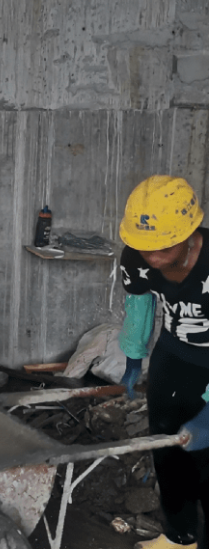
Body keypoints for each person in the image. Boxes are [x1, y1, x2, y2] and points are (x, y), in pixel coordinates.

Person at [118, 175, 209, 549]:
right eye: (144, 248)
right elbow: (139, 305)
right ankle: (179, 535)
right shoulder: (136, 257)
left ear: (188, 235)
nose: (152, 257)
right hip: (173, 353)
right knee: (166, 445)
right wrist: (133, 361)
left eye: (163, 247)